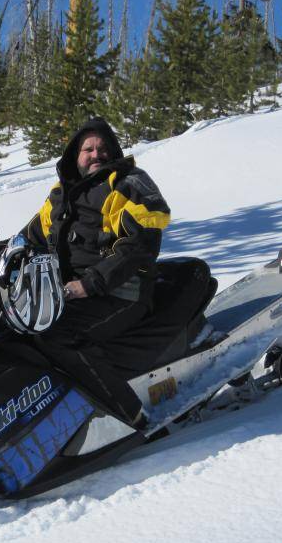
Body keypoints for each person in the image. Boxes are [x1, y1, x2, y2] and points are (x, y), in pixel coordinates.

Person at [19, 117, 170, 426]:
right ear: (75, 155)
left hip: (119, 293)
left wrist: (88, 284)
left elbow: (139, 244)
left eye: (102, 148)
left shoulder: (128, 183)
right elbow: (30, 238)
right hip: (69, 292)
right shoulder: (61, 195)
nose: (95, 154)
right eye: (87, 149)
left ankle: (128, 415)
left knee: (57, 335)